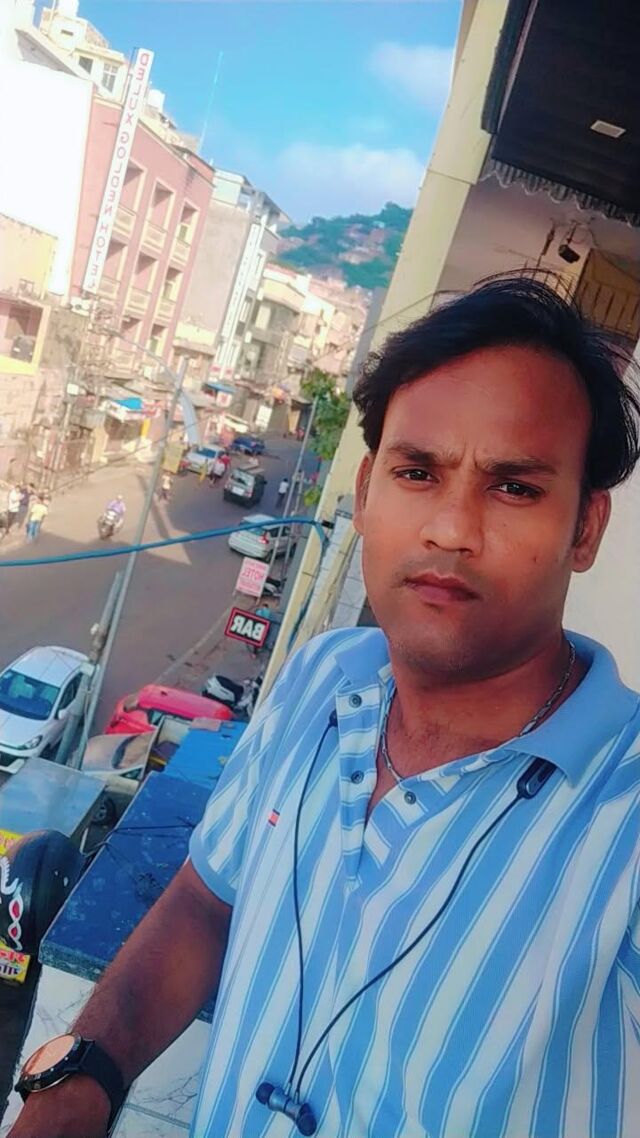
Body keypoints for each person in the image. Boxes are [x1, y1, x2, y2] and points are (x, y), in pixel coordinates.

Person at [10, 277, 640, 1138]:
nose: (451, 529)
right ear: (368, 492)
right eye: (417, 473)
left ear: (586, 528)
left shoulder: (622, 813)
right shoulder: (319, 678)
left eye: (514, 488)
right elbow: (205, 901)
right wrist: (84, 1076)